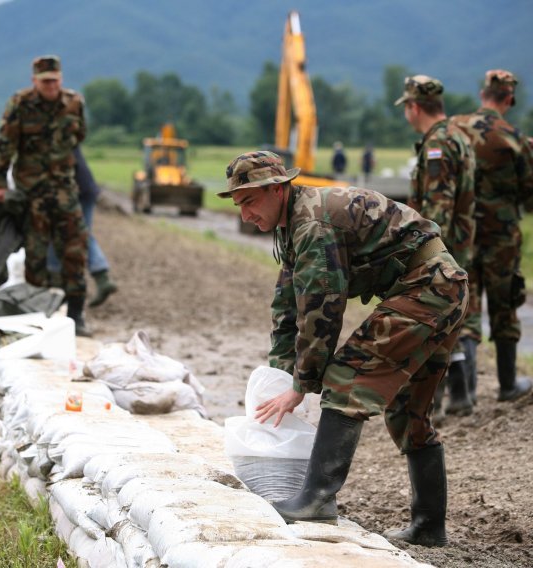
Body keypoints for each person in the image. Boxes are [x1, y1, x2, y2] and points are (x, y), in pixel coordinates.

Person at [219, 150, 468, 547]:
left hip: (428, 288)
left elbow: (322, 310)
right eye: (239, 204)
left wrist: (302, 385)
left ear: (277, 190)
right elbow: (288, 305)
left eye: (250, 201)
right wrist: (280, 377)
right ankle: (429, 525)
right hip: (438, 288)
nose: (245, 214)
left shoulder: (313, 223)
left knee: (345, 376)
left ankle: (316, 498)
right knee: (407, 409)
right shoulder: (291, 224)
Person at [0, 55, 91, 336]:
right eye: (45, 81)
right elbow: (4, 144)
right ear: (34, 81)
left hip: (64, 191)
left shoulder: (74, 103)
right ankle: (36, 316)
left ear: (61, 79)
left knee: (74, 250)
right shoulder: (20, 104)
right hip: (31, 194)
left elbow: (79, 136)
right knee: (35, 256)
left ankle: (75, 315)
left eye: (55, 81)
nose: (50, 86)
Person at [396, 75, 476, 419]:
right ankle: (458, 393)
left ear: (415, 107)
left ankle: (435, 401)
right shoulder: (459, 135)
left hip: (441, 247)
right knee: (452, 319)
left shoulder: (438, 144)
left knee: (433, 319)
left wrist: (422, 245)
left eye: (406, 108)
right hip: (460, 240)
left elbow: (439, 204)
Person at [452, 70, 533, 403]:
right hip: (502, 238)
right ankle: (507, 385)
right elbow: (530, 197)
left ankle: (465, 393)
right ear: (509, 99)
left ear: (483, 94)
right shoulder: (514, 139)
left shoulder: (455, 129)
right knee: (504, 308)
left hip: (462, 235)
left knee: (466, 309)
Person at [46, 146, 118, 307]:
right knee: (83, 233)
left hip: (74, 191)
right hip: (84, 188)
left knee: (61, 232)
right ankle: (102, 277)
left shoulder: (54, 136)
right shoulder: (67, 131)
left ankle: (56, 282)